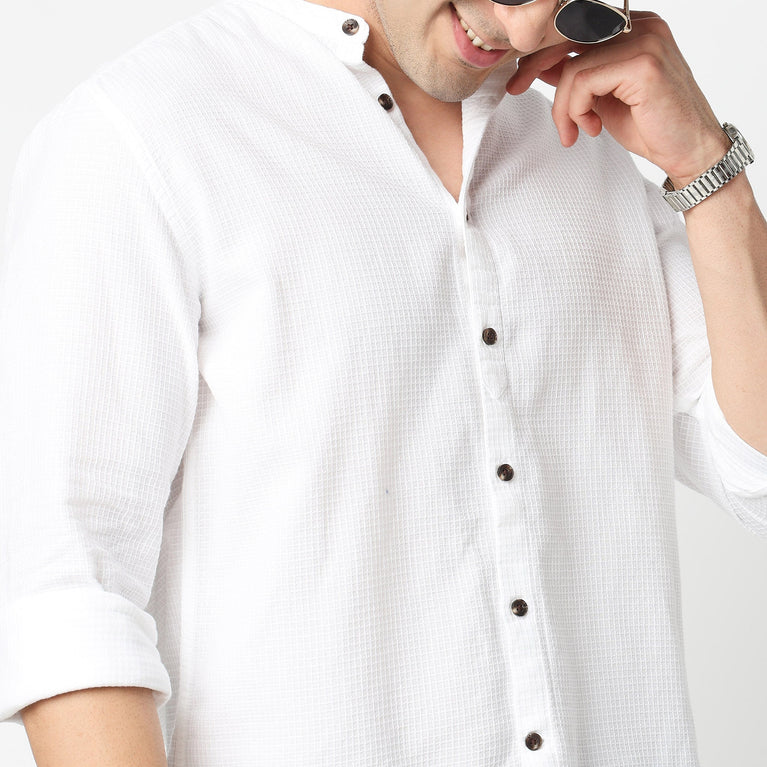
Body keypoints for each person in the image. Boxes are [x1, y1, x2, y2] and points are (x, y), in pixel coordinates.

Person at [1, 0, 765, 764]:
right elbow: (70, 596)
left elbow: (755, 472)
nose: (526, 35)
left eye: (566, 3)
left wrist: (706, 168)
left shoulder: (589, 147)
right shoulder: (142, 137)